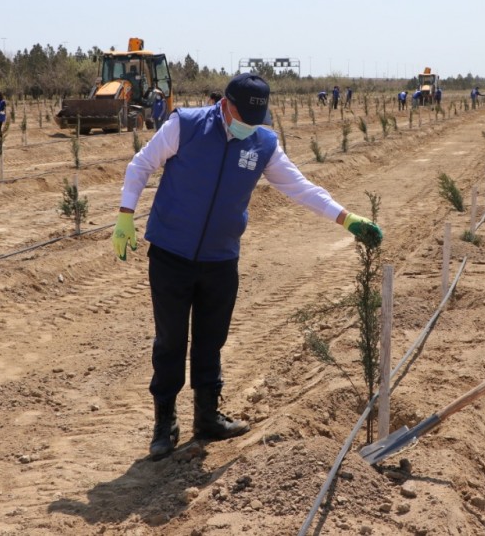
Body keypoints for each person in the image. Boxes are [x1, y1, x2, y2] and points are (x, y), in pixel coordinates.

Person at [112, 73, 384, 460]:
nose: (249, 126)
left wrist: (347, 219)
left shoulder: (263, 142)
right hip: (171, 253)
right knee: (170, 341)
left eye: (257, 119)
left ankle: (207, 417)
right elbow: (140, 166)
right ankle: (164, 423)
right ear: (225, 105)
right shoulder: (185, 126)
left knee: (211, 340)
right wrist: (126, 214)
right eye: (244, 116)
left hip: (221, 259)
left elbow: (300, 187)